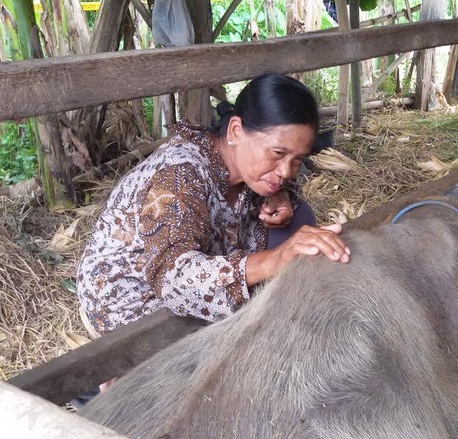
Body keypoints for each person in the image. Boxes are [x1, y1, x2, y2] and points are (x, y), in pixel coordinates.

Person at [76, 73, 350, 339]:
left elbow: (286, 182)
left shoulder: (241, 165)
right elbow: (173, 281)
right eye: (278, 153)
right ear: (235, 131)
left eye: (297, 159)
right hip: (135, 293)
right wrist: (273, 261)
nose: (285, 171)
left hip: (203, 261)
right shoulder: (179, 175)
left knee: (298, 217)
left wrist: (281, 196)